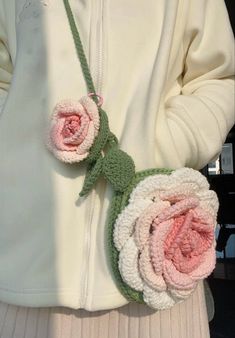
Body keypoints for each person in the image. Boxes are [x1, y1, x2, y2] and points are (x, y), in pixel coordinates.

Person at [0, 0, 234, 337]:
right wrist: (19, 147)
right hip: (26, 271)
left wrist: (167, 144)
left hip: (150, 276)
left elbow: (217, 77)